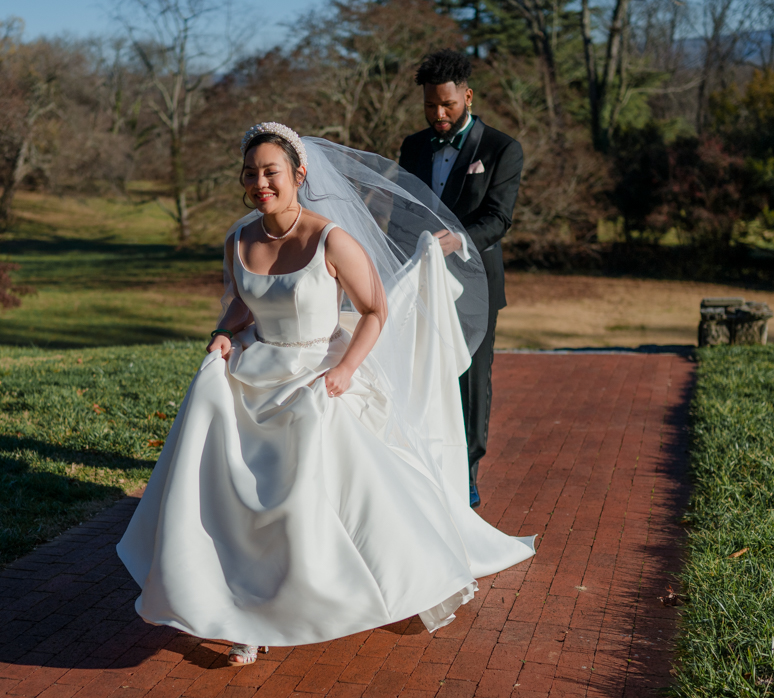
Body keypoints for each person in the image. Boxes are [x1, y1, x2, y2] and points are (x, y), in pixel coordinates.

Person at [117, 122, 534, 666]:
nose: (260, 182)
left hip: (317, 376)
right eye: (251, 173)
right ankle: (242, 609)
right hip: (255, 375)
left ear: (299, 174)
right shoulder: (239, 238)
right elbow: (244, 305)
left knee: (315, 492)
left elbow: (374, 310)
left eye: (271, 171)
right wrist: (224, 332)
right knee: (234, 500)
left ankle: (379, 582)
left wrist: (346, 371)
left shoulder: (331, 238)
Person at [399, 49, 524, 509]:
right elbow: (401, 213)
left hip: (476, 284)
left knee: (470, 375)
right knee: (420, 368)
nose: (438, 114)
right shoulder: (413, 147)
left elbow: (498, 219)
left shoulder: (502, 149)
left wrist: (457, 240)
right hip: (417, 280)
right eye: (431, 105)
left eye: (447, 105)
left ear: (467, 96)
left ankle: (468, 470)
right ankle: (424, 461)